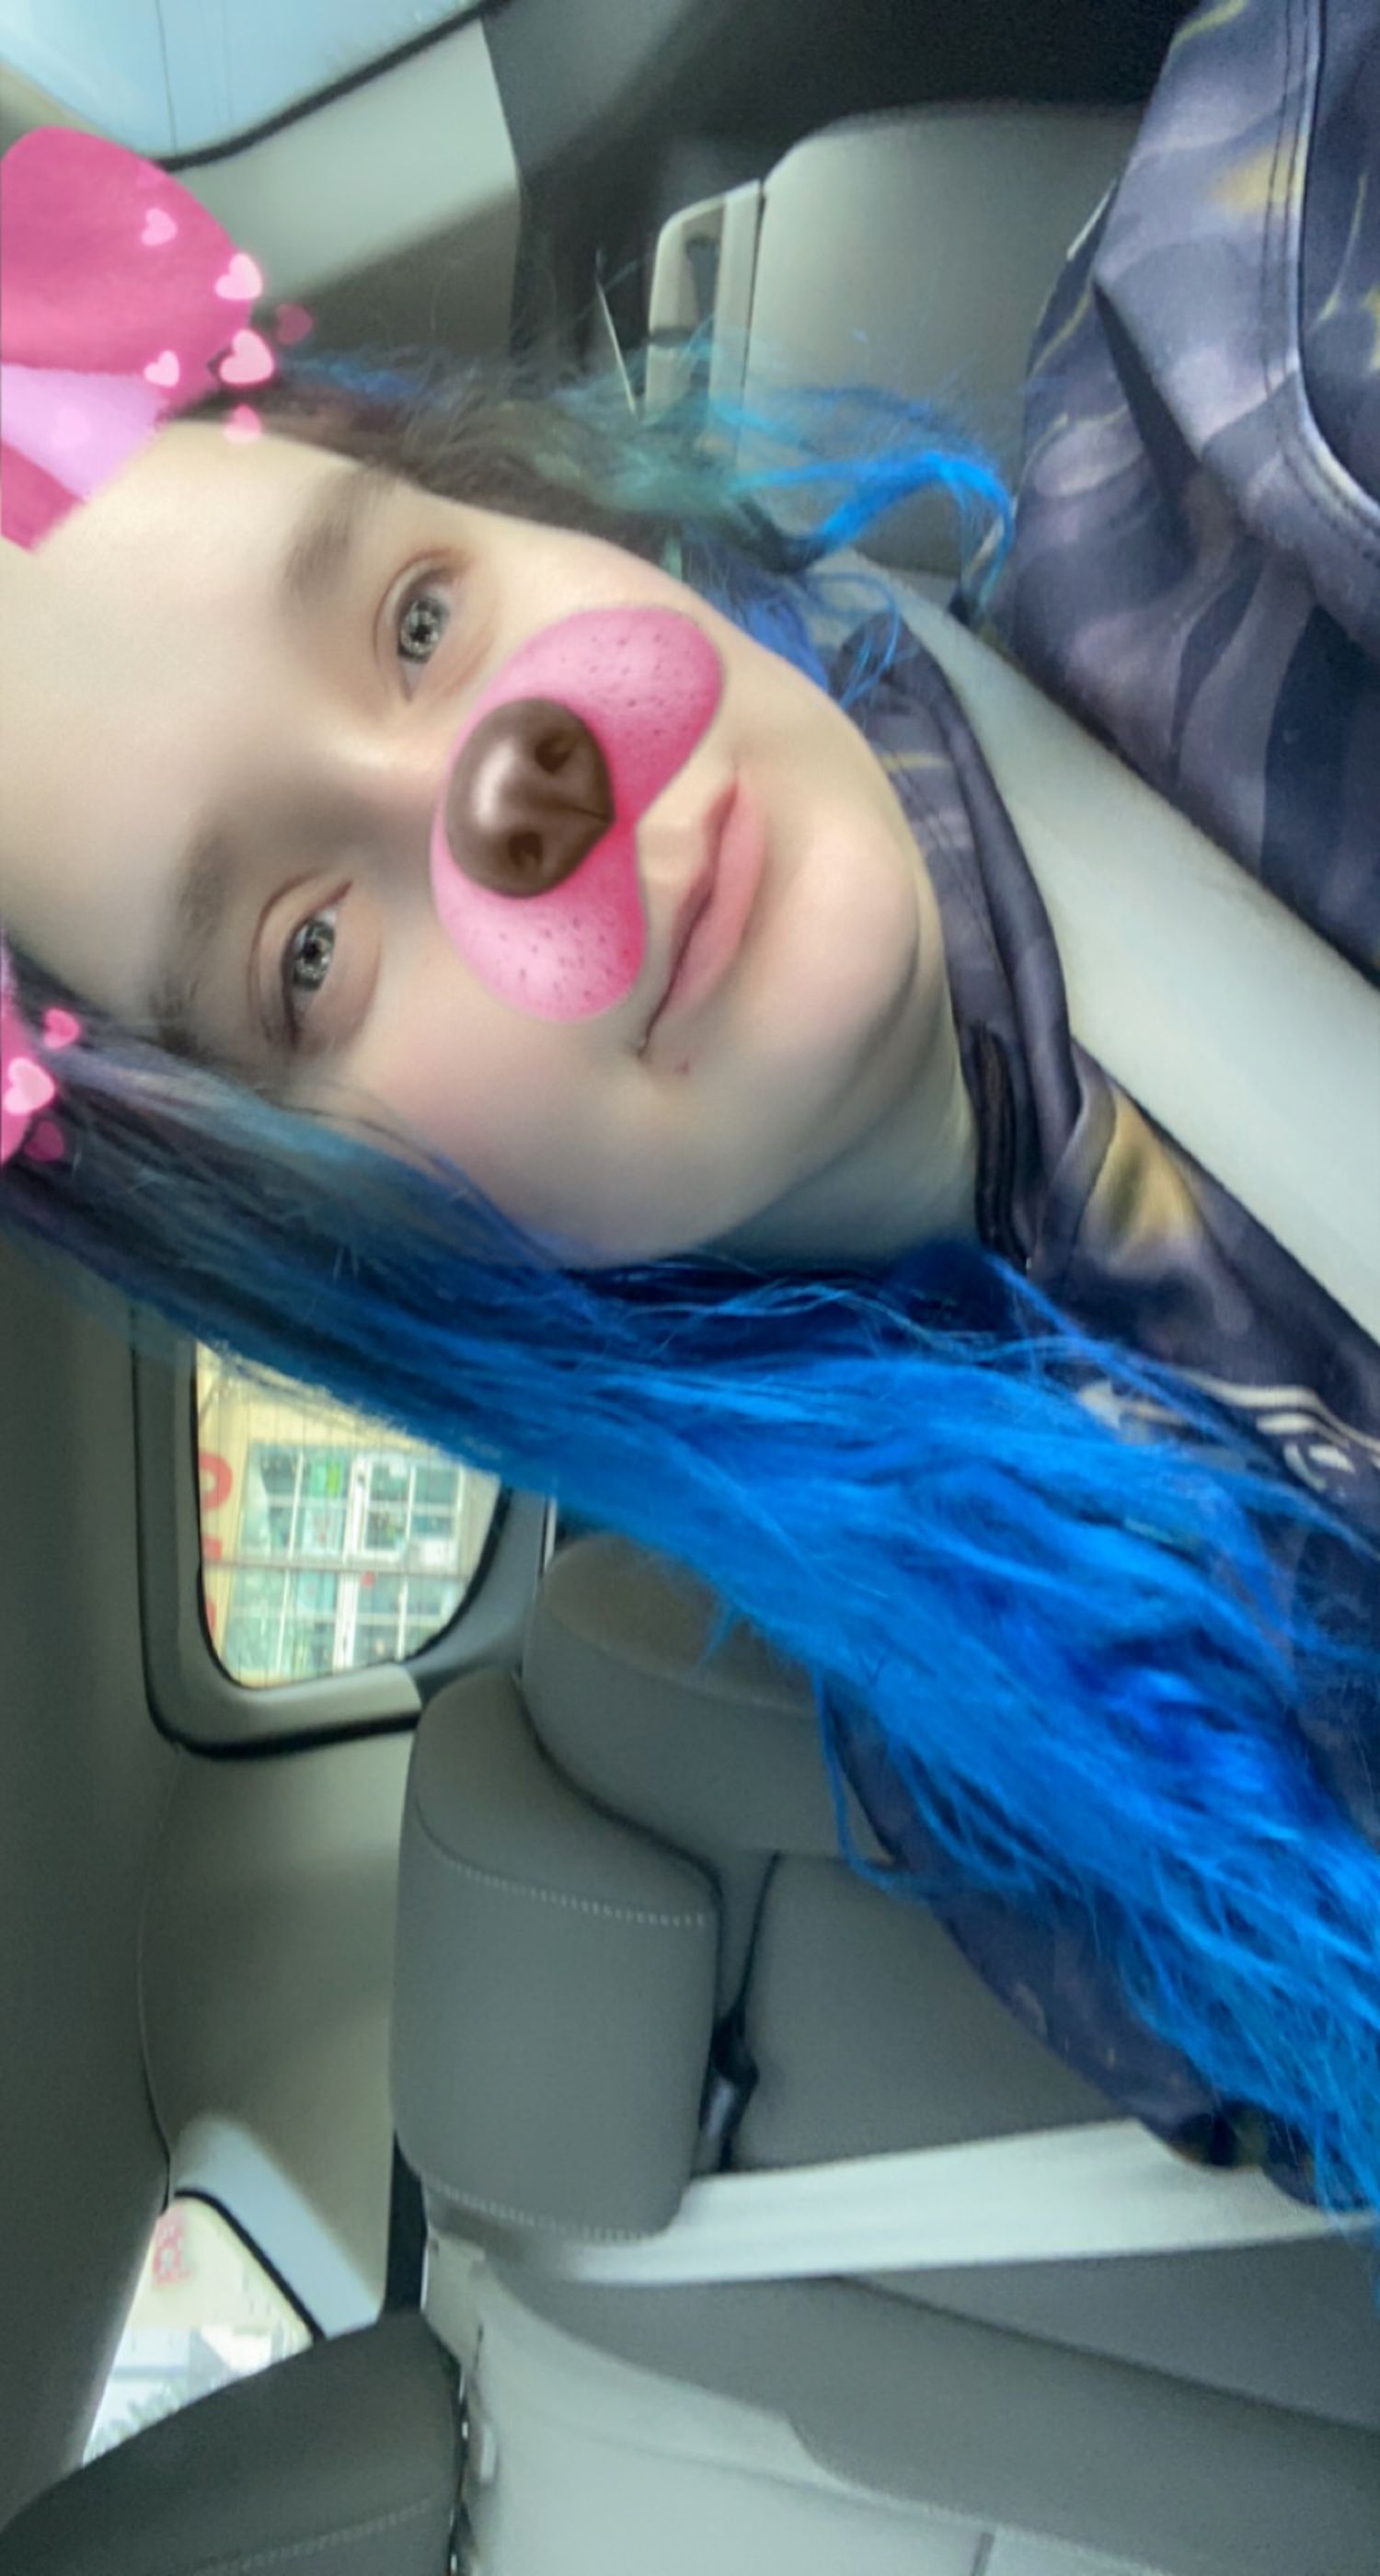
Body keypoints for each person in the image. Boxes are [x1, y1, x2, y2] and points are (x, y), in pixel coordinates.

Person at [2, 0, 1378, 2224]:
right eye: (307, 952)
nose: (522, 805)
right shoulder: (1038, 1788)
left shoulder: (1256, 378)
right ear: (351, 1231)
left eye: (418, 616)